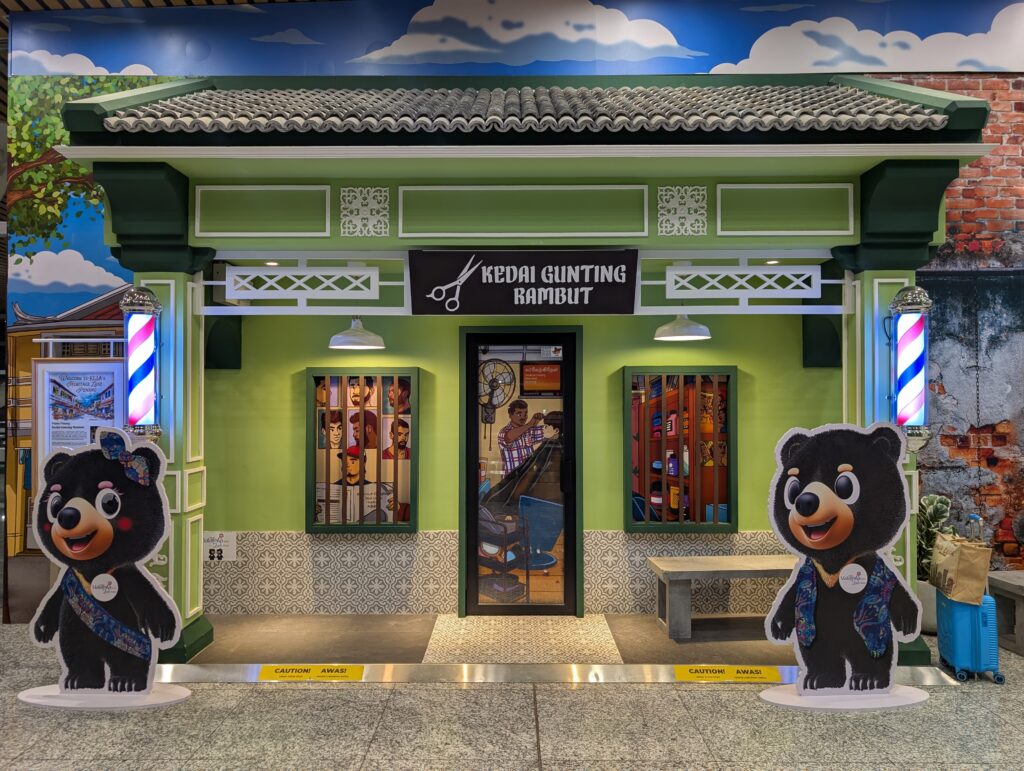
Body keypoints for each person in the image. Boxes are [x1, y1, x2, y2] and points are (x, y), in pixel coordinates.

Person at [333, 446, 394, 522]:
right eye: (344, 461)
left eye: (353, 461)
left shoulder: (374, 488)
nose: (347, 465)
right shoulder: (333, 487)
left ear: (363, 463)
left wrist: (393, 505)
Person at [497, 399, 548, 477]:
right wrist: (530, 424)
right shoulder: (504, 431)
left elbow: (549, 432)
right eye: (519, 414)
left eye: (525, 413)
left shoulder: (528, 430)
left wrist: (536, 422)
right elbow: (508, 438)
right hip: (512, 480)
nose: (523, 417)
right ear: (510, 415)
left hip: (528, 478)